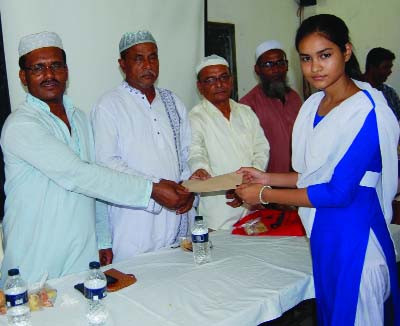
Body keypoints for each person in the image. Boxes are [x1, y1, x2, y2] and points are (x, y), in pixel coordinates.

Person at [236, 14, 400, 326]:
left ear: (346, 52)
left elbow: (338, 191)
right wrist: (266, 177)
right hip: (323, 233)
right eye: (307, 59)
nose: (315, 68)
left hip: (355, 234)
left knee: (355, 312)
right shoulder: (313, 106)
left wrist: (263, 194)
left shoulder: (367, 110)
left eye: (325, 56)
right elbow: (312, 175)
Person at [0, 31, 192, 285]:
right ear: (23, 77)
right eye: (38, 68)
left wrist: (103, 239)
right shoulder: (21, 124)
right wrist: (151, 189)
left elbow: (96, 179)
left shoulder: (79, 117)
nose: (49, 74)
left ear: (67, 71)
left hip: (82, 250)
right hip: (36, 248)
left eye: (56, 66)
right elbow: (77, 174)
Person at [91, 31, 195, 261]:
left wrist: (190, 189)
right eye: (138, 59)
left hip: (178, 215)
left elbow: (189, 152)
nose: (148, 65)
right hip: (133, 221)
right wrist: (154, 188)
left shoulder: (172, 101)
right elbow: (106, 164)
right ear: (122, 64)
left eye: (153, 57)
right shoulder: (108, 105)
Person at [189, 55, 269, 230]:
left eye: (223, 77)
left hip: (251, 205)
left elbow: (261, 148)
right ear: (200, 87)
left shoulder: (246, 112)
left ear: (231, 80)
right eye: (210, 80)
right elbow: (196, 150)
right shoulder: (195, 117)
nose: (219, 84)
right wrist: (199, 168)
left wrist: (253, 178)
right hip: (219, 210)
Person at [240, 40, 302, 173]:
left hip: (298, 179)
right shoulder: (248, 104)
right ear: (257, 69)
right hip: (267, 183)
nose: (276, 69)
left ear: (286, 66)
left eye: (280, 63)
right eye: (268, 64)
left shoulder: (295, 98)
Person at [362, 47, 400, 120]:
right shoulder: (354, 89)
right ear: (372, 67)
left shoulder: (390, 93)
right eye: (385, 67)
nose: (390, 71)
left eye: (390, 67)